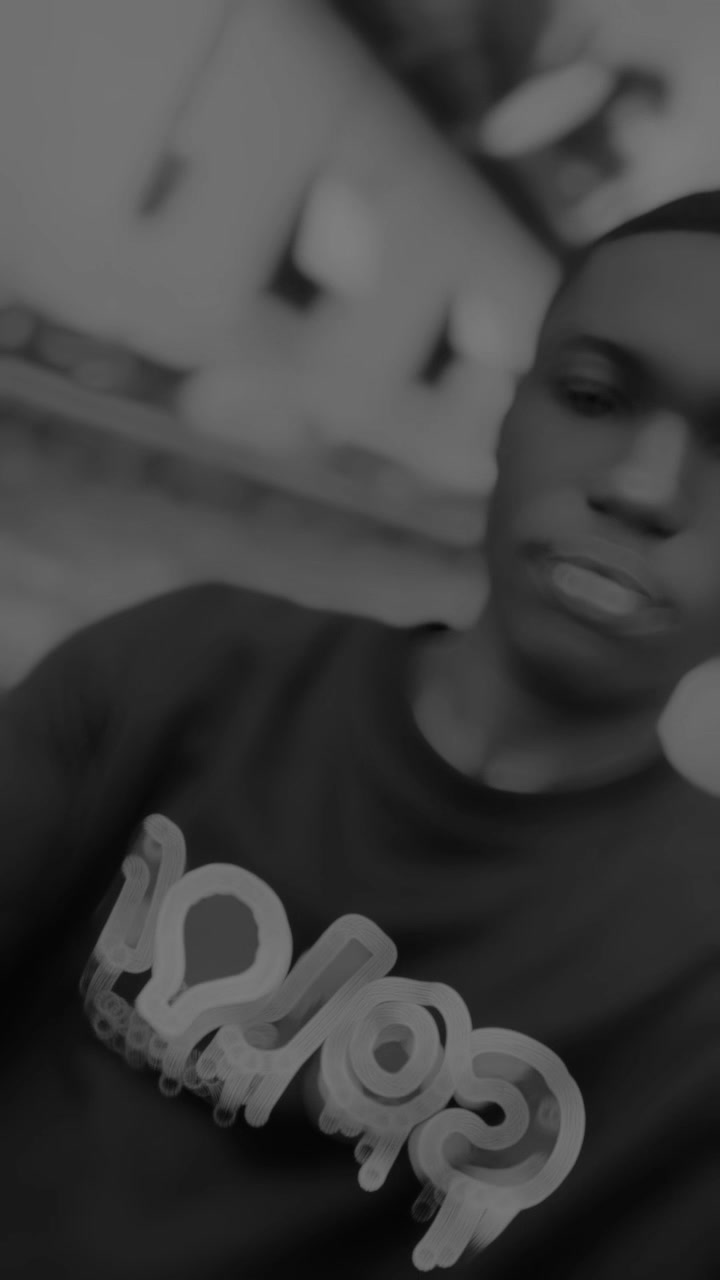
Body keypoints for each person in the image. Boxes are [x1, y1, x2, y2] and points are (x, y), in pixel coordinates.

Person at [2, 189, 719, 1280]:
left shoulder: (698, 987)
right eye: (591, 396)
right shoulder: (179, 676)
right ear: (509, 414)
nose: (642, 487)